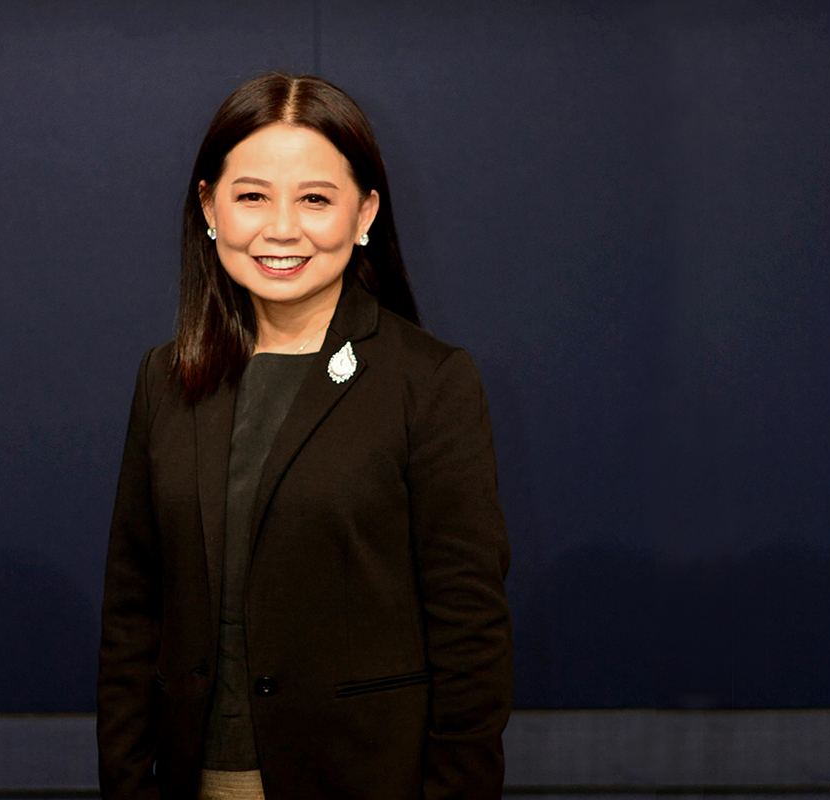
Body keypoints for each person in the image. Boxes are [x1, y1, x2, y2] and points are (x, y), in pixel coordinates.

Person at [97, 72, 512, 800]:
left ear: (365, 213)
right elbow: (133, 616)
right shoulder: (165, 378)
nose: (282, 229)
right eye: (252, 197)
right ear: (210, 208)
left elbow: (470, 635)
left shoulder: (430, 382)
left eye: (315, 199)